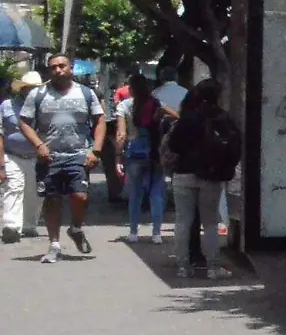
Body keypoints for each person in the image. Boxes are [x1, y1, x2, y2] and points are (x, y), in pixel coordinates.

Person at [18, 55, 106, 263]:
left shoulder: (86, 93)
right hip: (50, 157)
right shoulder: (38, 94)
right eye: (53, 68)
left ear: (71, 68)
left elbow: (100, 120)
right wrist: (39, 145)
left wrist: (96, 150)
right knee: (52, 199)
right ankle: (54, 245)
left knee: (80, 196)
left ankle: (75, 228)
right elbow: (24, 122)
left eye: (62, 66)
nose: (58, 70)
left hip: (78, 154)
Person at [163, 79, 241, 279]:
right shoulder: (222, 119)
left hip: (184, 174)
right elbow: (234, 147)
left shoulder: (188, 118)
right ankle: (213, 268)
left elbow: (173, 145)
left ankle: (183, 266)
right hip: (211, 176)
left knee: (183, 221)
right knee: (210, 223)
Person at [115, 74, 166, 244]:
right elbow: (170, 119)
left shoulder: (124, 106)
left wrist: (118, 156)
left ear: (131, 89)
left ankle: (133, 232)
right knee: (156, 193)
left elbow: (121, 135)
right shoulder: (156, 104)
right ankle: (157, 233)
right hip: (154, 152)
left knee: (135, 194)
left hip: (134, 152)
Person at [1, 71, 43, 243]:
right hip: (12, 155)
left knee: (34, 193)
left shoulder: (44, 106)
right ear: (22, 88)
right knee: (14, 187)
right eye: (30, 88)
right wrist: (1, 165)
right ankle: (11, 226)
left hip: (37, 157)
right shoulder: (6, 106)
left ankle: (29, 225)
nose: (32, 91)